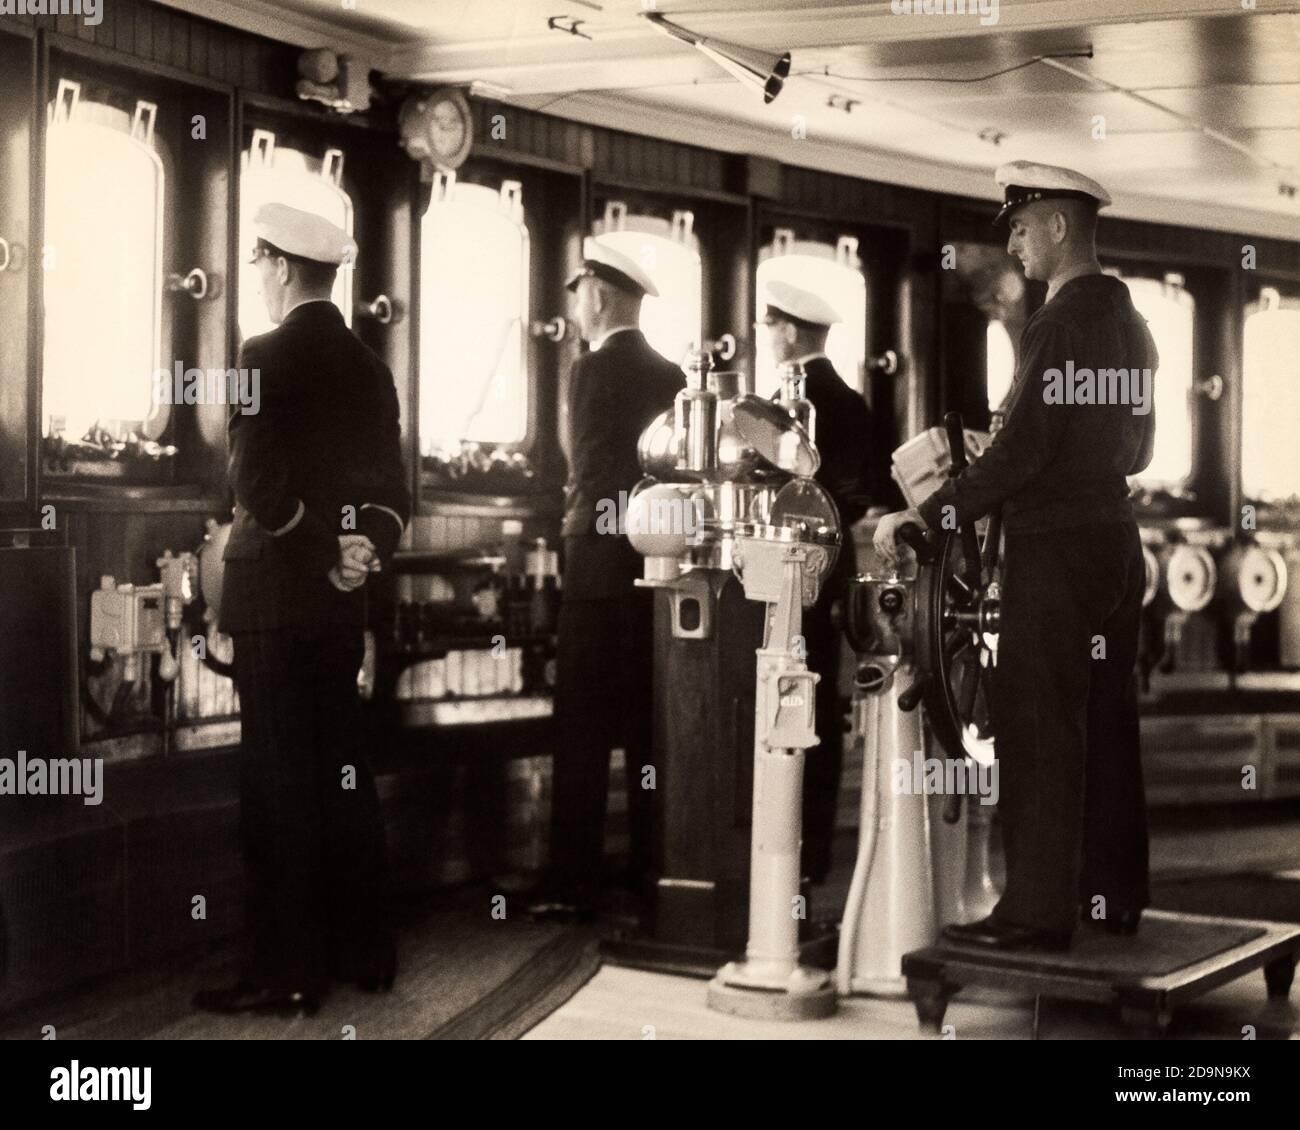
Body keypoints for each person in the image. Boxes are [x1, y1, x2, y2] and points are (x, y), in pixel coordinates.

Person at [875, 161, 1158, 952]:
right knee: (1107, 720)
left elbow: (1021, 453)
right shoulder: (1133, 325)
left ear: (1060, 227)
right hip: (1115, 544)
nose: (1015, 245)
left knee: (1038, 728)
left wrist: (927, 516)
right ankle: (1112, 896)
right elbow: (1140, 449)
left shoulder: (1055, 325)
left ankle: (1035, 913)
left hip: (1055, 549)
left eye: (1024, 228)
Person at [194, 202, 410, 1015]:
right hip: (340, 604)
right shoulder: (370, 368)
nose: (258, 276)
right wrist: (361, 552)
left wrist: (322, 549)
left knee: (278, 786)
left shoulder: (260, 354)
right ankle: (365, 954)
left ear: (282, 268)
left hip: (275, 601)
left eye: (259, 263)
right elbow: (392, 493)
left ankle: (285, 973)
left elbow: (256, 486)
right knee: (343, 773)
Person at [529, 239, 683, 919]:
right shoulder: (672, 375)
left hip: (596, 573)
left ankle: (571, 885)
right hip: (657, 572)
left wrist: (580, 532)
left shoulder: (590, 370)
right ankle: (652, 872)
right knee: (649, 730)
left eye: (577, 296)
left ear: (596, 294)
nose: (575, 309)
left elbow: (591, 472)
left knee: (582, 733)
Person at [759, 280, 875, 884]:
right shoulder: (852, 403)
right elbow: (863, 495)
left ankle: (773, 848)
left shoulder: (781, 407)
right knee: (817, 706)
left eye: (769, 326)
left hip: (780, 567)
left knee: (777, 700)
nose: (766, 336)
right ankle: (811, 857)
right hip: (830, 571)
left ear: (789, 331)